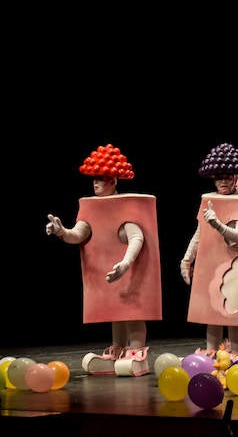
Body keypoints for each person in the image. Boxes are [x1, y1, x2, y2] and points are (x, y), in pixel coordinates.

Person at [45, 144, 160, 376]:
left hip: (129, 271)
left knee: (132, 311)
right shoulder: (91, 208)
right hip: (108, 271)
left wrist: (126, 263)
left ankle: (136, 352)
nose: (96, 183)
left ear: (113, 181)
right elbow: (78, 234)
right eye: (95, 179)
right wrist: (61, 232)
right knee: (115, 311)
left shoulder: (127, 207)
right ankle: (117, 349)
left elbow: (136, 238)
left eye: (101, 179)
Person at [180, 143, 238, 363]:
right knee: (211, 313)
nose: (224, 181)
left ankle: (237, 351)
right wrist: (186, 260)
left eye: (229, 177)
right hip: (211, 264)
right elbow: (199, 232)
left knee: (233, 312)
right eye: (218, 177)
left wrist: (218, 224)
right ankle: (211, 351)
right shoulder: (212, 200)